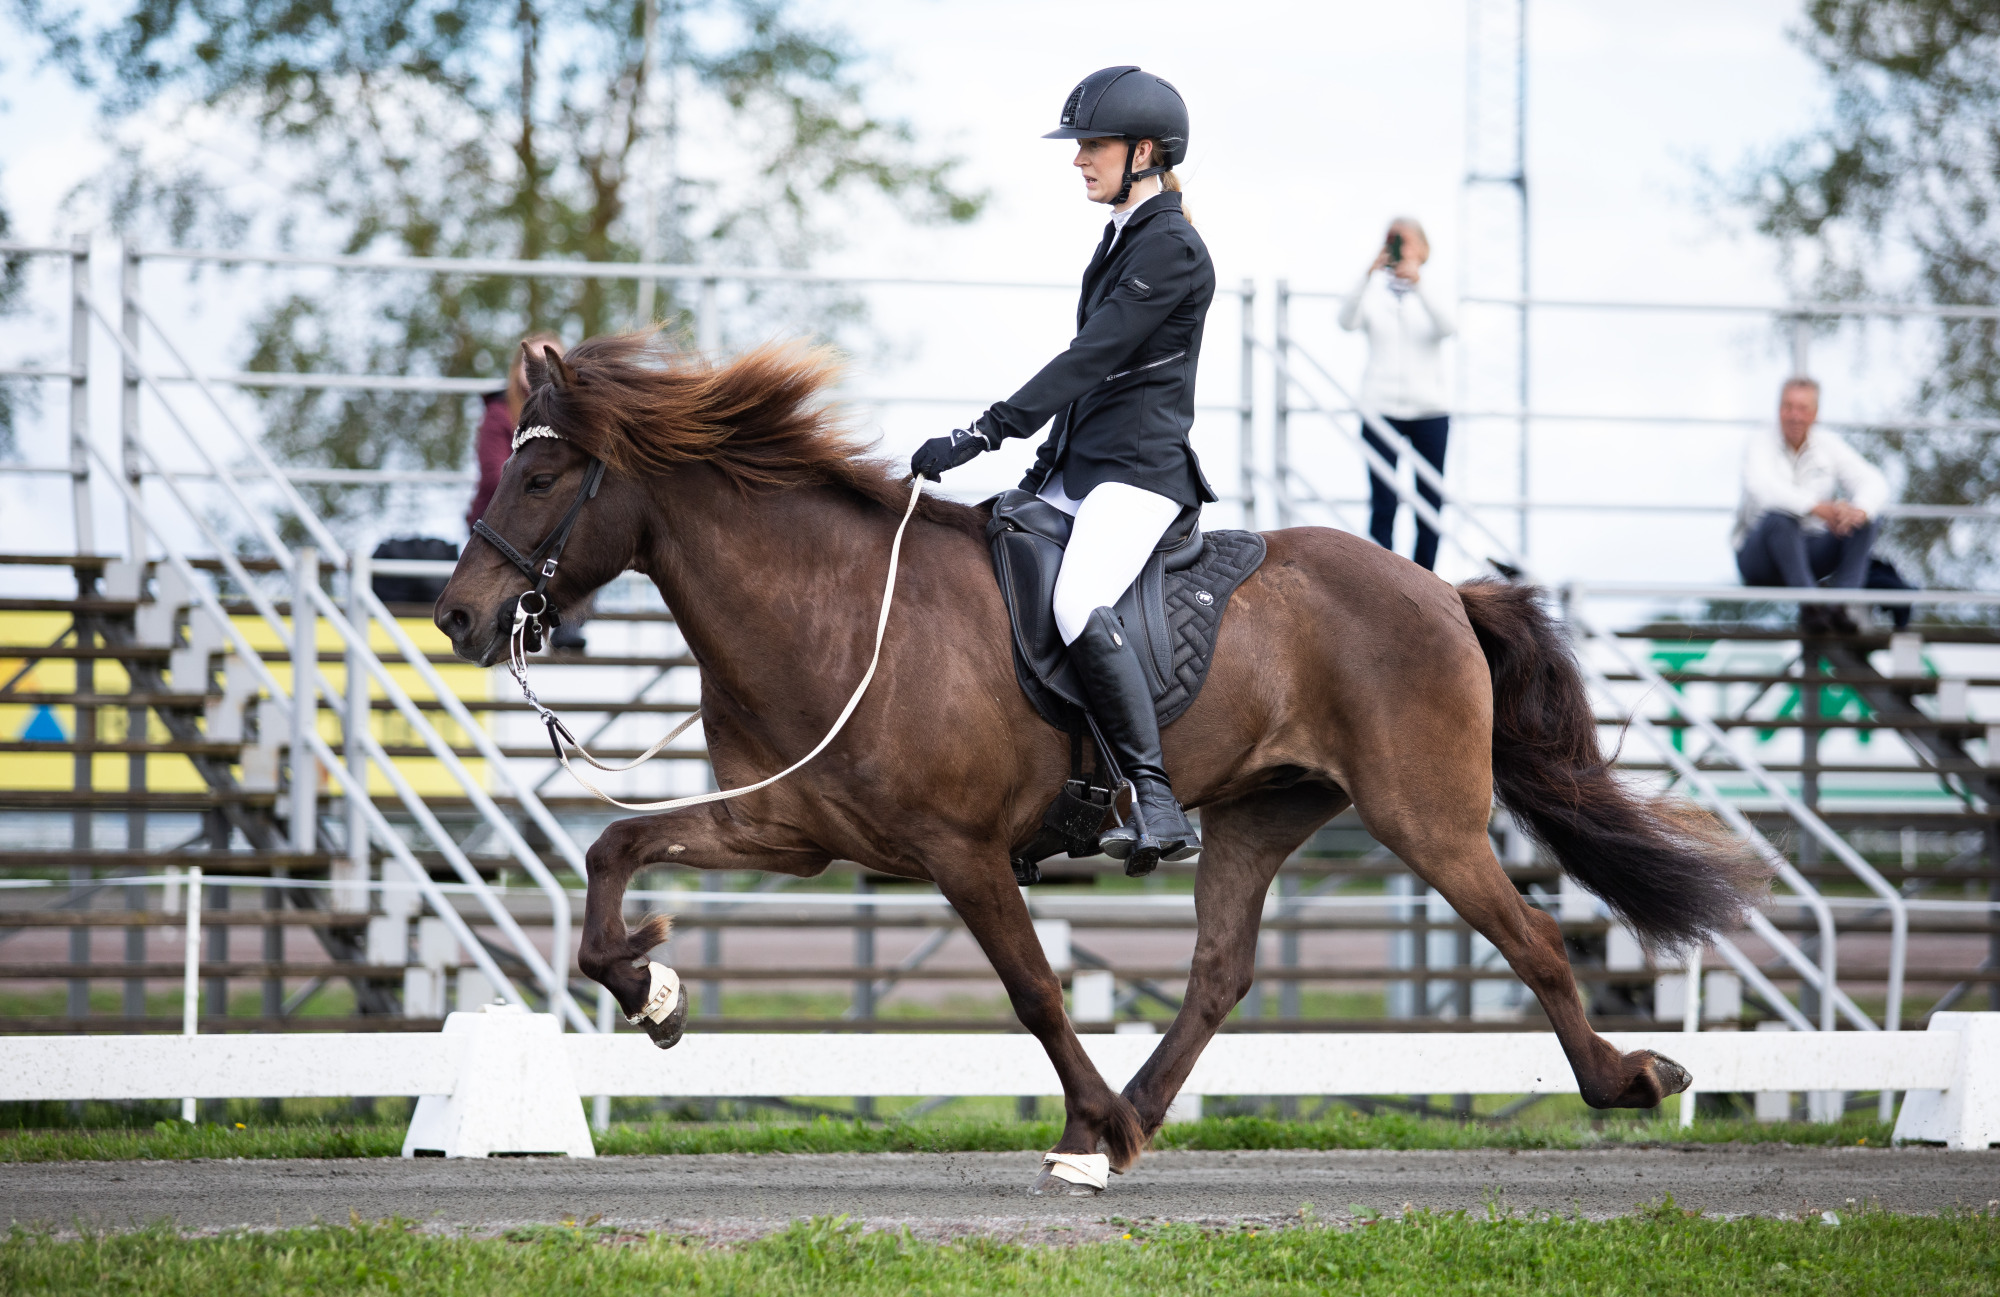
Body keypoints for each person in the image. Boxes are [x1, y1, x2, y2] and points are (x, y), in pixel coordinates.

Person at [909, 65, 1214, 872]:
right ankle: (1041, 802)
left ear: (1145, 151)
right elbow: (1096, 382)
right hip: (1081, 467)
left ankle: (1154, 798)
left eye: (1094, 146)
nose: (1079, 160)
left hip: (1139, 476)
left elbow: (1094, 357)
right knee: (991, 560)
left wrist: (984, 431)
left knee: (1079, 598)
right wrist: (1038, 464)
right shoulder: (1121, 238)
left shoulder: (1173, 246)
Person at [1337, 217, 1456, 570]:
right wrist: (1366, 274)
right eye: (1392, 240)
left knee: (1429, 502)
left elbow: (1450, 326)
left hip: (1429, 410)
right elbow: (1346, 321)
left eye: (1405, 240)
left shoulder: (1437, 288)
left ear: (1422, 247)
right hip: (1380, 408)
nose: (1398, 247)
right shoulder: (1373, 292)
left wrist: (1419, 284)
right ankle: (1383, 580)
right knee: (1383, 502)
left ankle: (1425, 580)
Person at [1733, 376, 1890, 635]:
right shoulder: (1759, 441)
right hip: (1760, 559)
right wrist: (1816, 507)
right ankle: (1813, 607)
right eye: (1788, 407)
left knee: (1867, 520)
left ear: (1815, 414)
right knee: (1780, 520)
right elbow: (1761, 488)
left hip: (1808, 555)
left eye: (1802, 408)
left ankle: (1841, 606)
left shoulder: (1827, 445)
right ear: (1778, 409)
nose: (1794, 416)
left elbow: (1874, 481)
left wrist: (1857, 510)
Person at [468, 332, 589, 650]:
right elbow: (495, 477)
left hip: (550, 513)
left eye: (549, 360)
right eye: (531, 361)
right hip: (499, 516)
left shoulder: (572, 416)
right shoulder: (498, 414)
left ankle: (568, 624)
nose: (540, 368)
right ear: (517, 369)